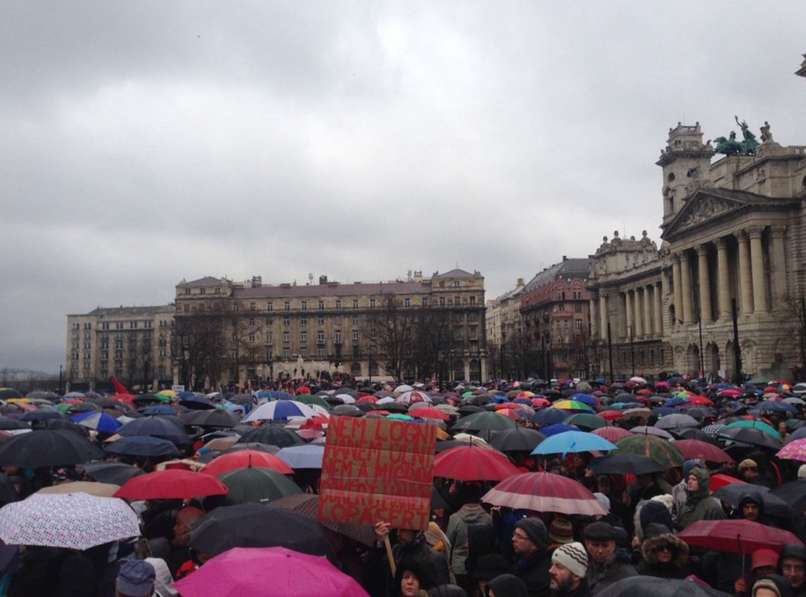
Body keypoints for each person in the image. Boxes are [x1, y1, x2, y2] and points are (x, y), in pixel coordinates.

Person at [445, 483, 491, 590]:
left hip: (459, 567)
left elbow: (447, 543)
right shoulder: (488, 519)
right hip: (480, 566)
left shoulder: (454, 518)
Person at [582, 522, 636, 594]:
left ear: (613, 545)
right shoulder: (583, 565)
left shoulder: (626, 573)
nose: (600, 550)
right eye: (595, 545)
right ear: (587, 543)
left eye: (605, 546)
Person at [510, 517, 552, 597]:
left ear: (535, 544)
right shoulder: (521, 557)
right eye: (514, 534)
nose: (513, 539)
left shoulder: (539, 578)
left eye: (519, 536)